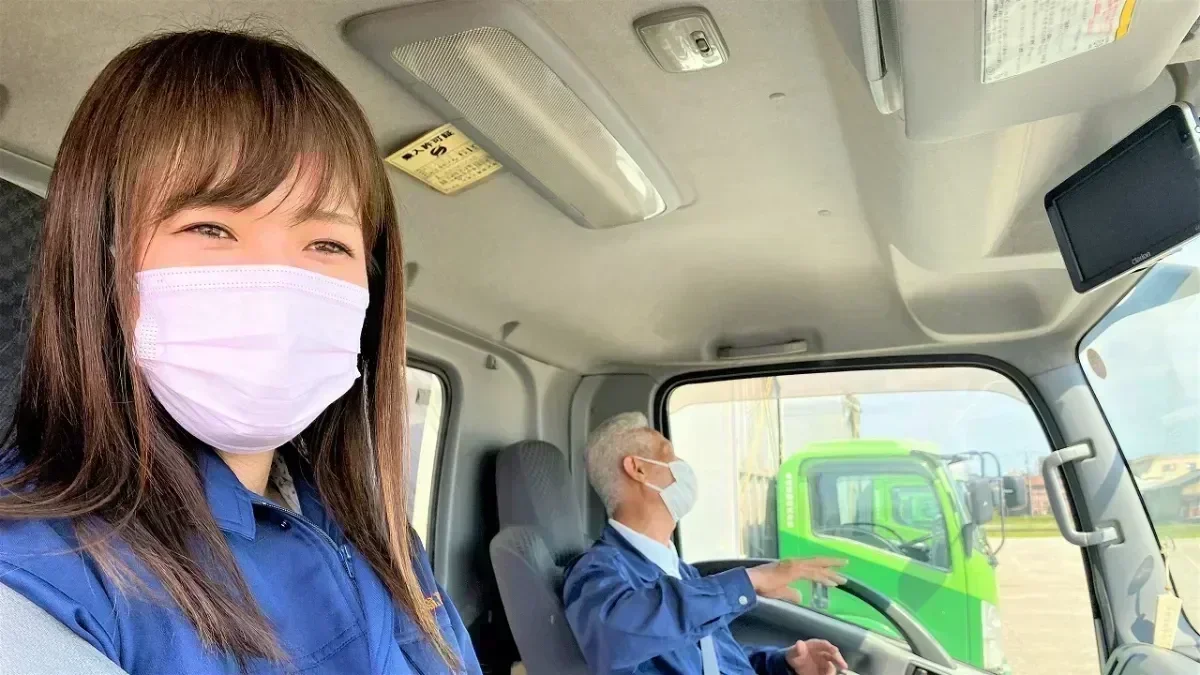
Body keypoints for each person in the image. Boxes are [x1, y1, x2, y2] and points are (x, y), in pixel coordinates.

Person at [0, 29, 482, 674]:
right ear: (101, 256)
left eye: (328, 245)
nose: (278, 290)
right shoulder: (36, 576)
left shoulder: (378, 532)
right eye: (210, 227)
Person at [563, 413, 850, 675]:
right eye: (668, 454)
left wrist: (782, 664)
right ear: (638, 469)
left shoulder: (681, 572)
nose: (681, 465)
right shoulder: (598, 569)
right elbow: (615, 637)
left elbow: (710, 661)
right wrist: (751, 580)